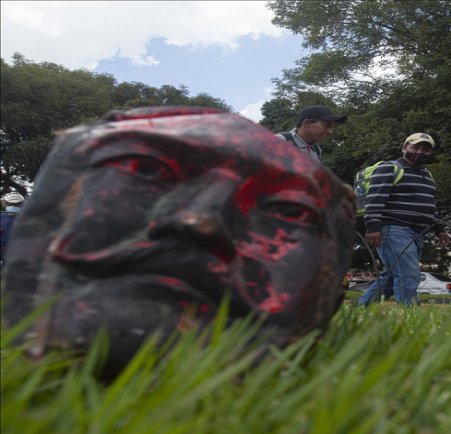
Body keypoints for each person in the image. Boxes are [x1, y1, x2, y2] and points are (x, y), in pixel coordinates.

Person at [1, 106, 357, 369]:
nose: (198, 221)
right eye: (146, 170)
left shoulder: (318, 160)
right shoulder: (277, 144)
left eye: (290, 211)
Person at [358, 133, 450, 306]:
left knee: (392, 276)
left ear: (431, 153)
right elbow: (375, 199)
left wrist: (440, 229)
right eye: (415, 147)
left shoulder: (427, 175)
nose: (420, 152)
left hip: (417, 232)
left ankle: (361, 307)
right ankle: (410, 313)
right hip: (393, 229)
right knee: (408, 274)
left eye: (425, 149)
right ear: (404, 148)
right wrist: (373, 227)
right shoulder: (389, 168)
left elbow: (429, 205)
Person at [276, 104, 347, 162]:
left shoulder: (316, 149)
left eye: (331, 127)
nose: (330, 132)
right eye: (326, 125)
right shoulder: (280, 141)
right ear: (307, 123)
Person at [1, 192, 24, 264]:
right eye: (10, 204)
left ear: (21, 205)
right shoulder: (1, 216)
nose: (13, 206)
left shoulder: (26, 219)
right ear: (6, 204)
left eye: (16, 204)